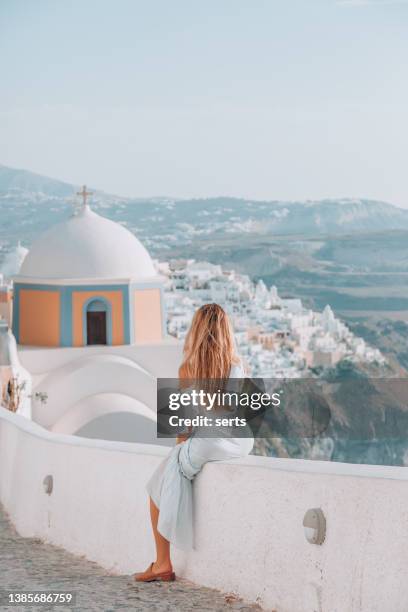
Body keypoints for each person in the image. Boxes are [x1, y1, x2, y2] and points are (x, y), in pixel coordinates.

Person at [134, 303, 254, 582]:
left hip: (208, 442)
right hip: (240, 441)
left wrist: (178, 452)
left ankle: (162, 563)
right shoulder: (236, 366)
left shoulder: (187, 368)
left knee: (156, 488)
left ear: (196, 330)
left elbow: (182, 425)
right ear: (226, 331)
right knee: (173, 473)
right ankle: (161, 562)